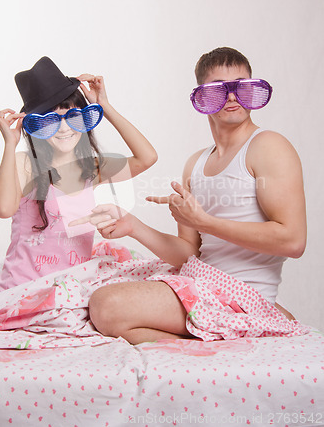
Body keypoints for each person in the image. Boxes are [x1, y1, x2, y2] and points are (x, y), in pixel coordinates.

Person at [85, 47, 308, 344]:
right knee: (98, 299)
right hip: (202, 282)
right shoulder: (196, 163)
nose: (232, 97)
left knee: (107, 305)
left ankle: (255, 319)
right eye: (219, 90)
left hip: (240, 295)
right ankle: (228, 334)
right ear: (201, 98)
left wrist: (204, 222)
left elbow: (293, 241)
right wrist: (133, 226)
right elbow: (188, 253)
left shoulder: (269, 147)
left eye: (242, 87)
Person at [0, 56, 157, 291]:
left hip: (72, 291)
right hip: (24, 289)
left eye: (73, 116)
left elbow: (147, 158)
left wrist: (104, 106)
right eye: (51, 120)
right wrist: (10, 144)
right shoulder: (25, 163)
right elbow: (2, 209)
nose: (65, 128)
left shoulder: (91, 168)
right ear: (35, 126)